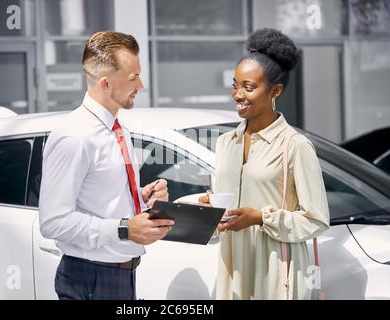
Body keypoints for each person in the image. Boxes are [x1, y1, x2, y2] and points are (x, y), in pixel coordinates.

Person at [39, 31, 174, 300]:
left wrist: (141, 197)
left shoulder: (116, 128)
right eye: (133, 77)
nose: (142, 85)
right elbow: (52, 222)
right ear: (105, 83)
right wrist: (125, 228)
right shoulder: (74, 136)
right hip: (91, 279)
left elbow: (101, 197)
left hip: (120, 276)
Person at [200, 28, 330, 299]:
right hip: (232, 267)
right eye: (235, 85)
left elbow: (316, 220)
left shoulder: (295, 146)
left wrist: (260, 217)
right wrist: (210, 211)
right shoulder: (226, 142)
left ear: (276, 90)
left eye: (248, 87)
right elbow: (225, 208)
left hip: (276, 270)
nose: (237, 94)